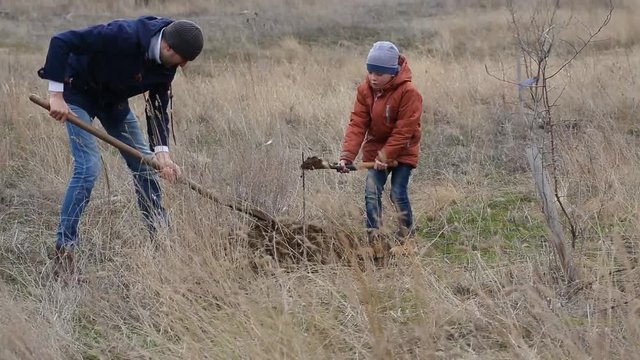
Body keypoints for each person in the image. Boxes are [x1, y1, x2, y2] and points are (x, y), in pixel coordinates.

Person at [37, 16, 204, 268]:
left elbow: (158, 107)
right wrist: (56, 95)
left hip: (112, 102)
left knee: (147, 168)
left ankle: (163, 242)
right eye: (182, 60)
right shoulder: (122, 35)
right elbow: (62, 41)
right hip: (77, 92)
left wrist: (162, 152)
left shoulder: (166, 64)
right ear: (168, 48)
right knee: (88, 169)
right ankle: (65, 251)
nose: (182, 67)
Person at [338, 41, 423, 258]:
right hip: (376, 152)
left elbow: (405, 130)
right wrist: (347, 156)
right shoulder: (365, 90)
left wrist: (386, 156)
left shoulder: (409, 92)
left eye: (379, 73)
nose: (373, 77)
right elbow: (357, 124)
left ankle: (408, 240)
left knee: (397, 192)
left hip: (403, 150)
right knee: (371, 192)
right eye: (370, 71)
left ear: (392, 72)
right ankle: (374, 241)